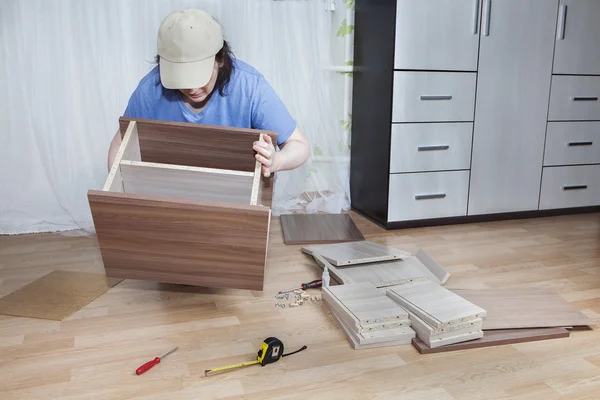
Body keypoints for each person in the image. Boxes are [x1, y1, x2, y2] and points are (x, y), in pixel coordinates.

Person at [108, 9, 309, 177]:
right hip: (171, 194)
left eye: (199, 78)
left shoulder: (250, 87)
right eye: (181, 79)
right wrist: (122, 189)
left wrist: (277, 161)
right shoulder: (150, 90)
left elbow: (299, 145)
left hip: (234, 196)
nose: (192, 89)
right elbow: (120, 144)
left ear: (220, 59)